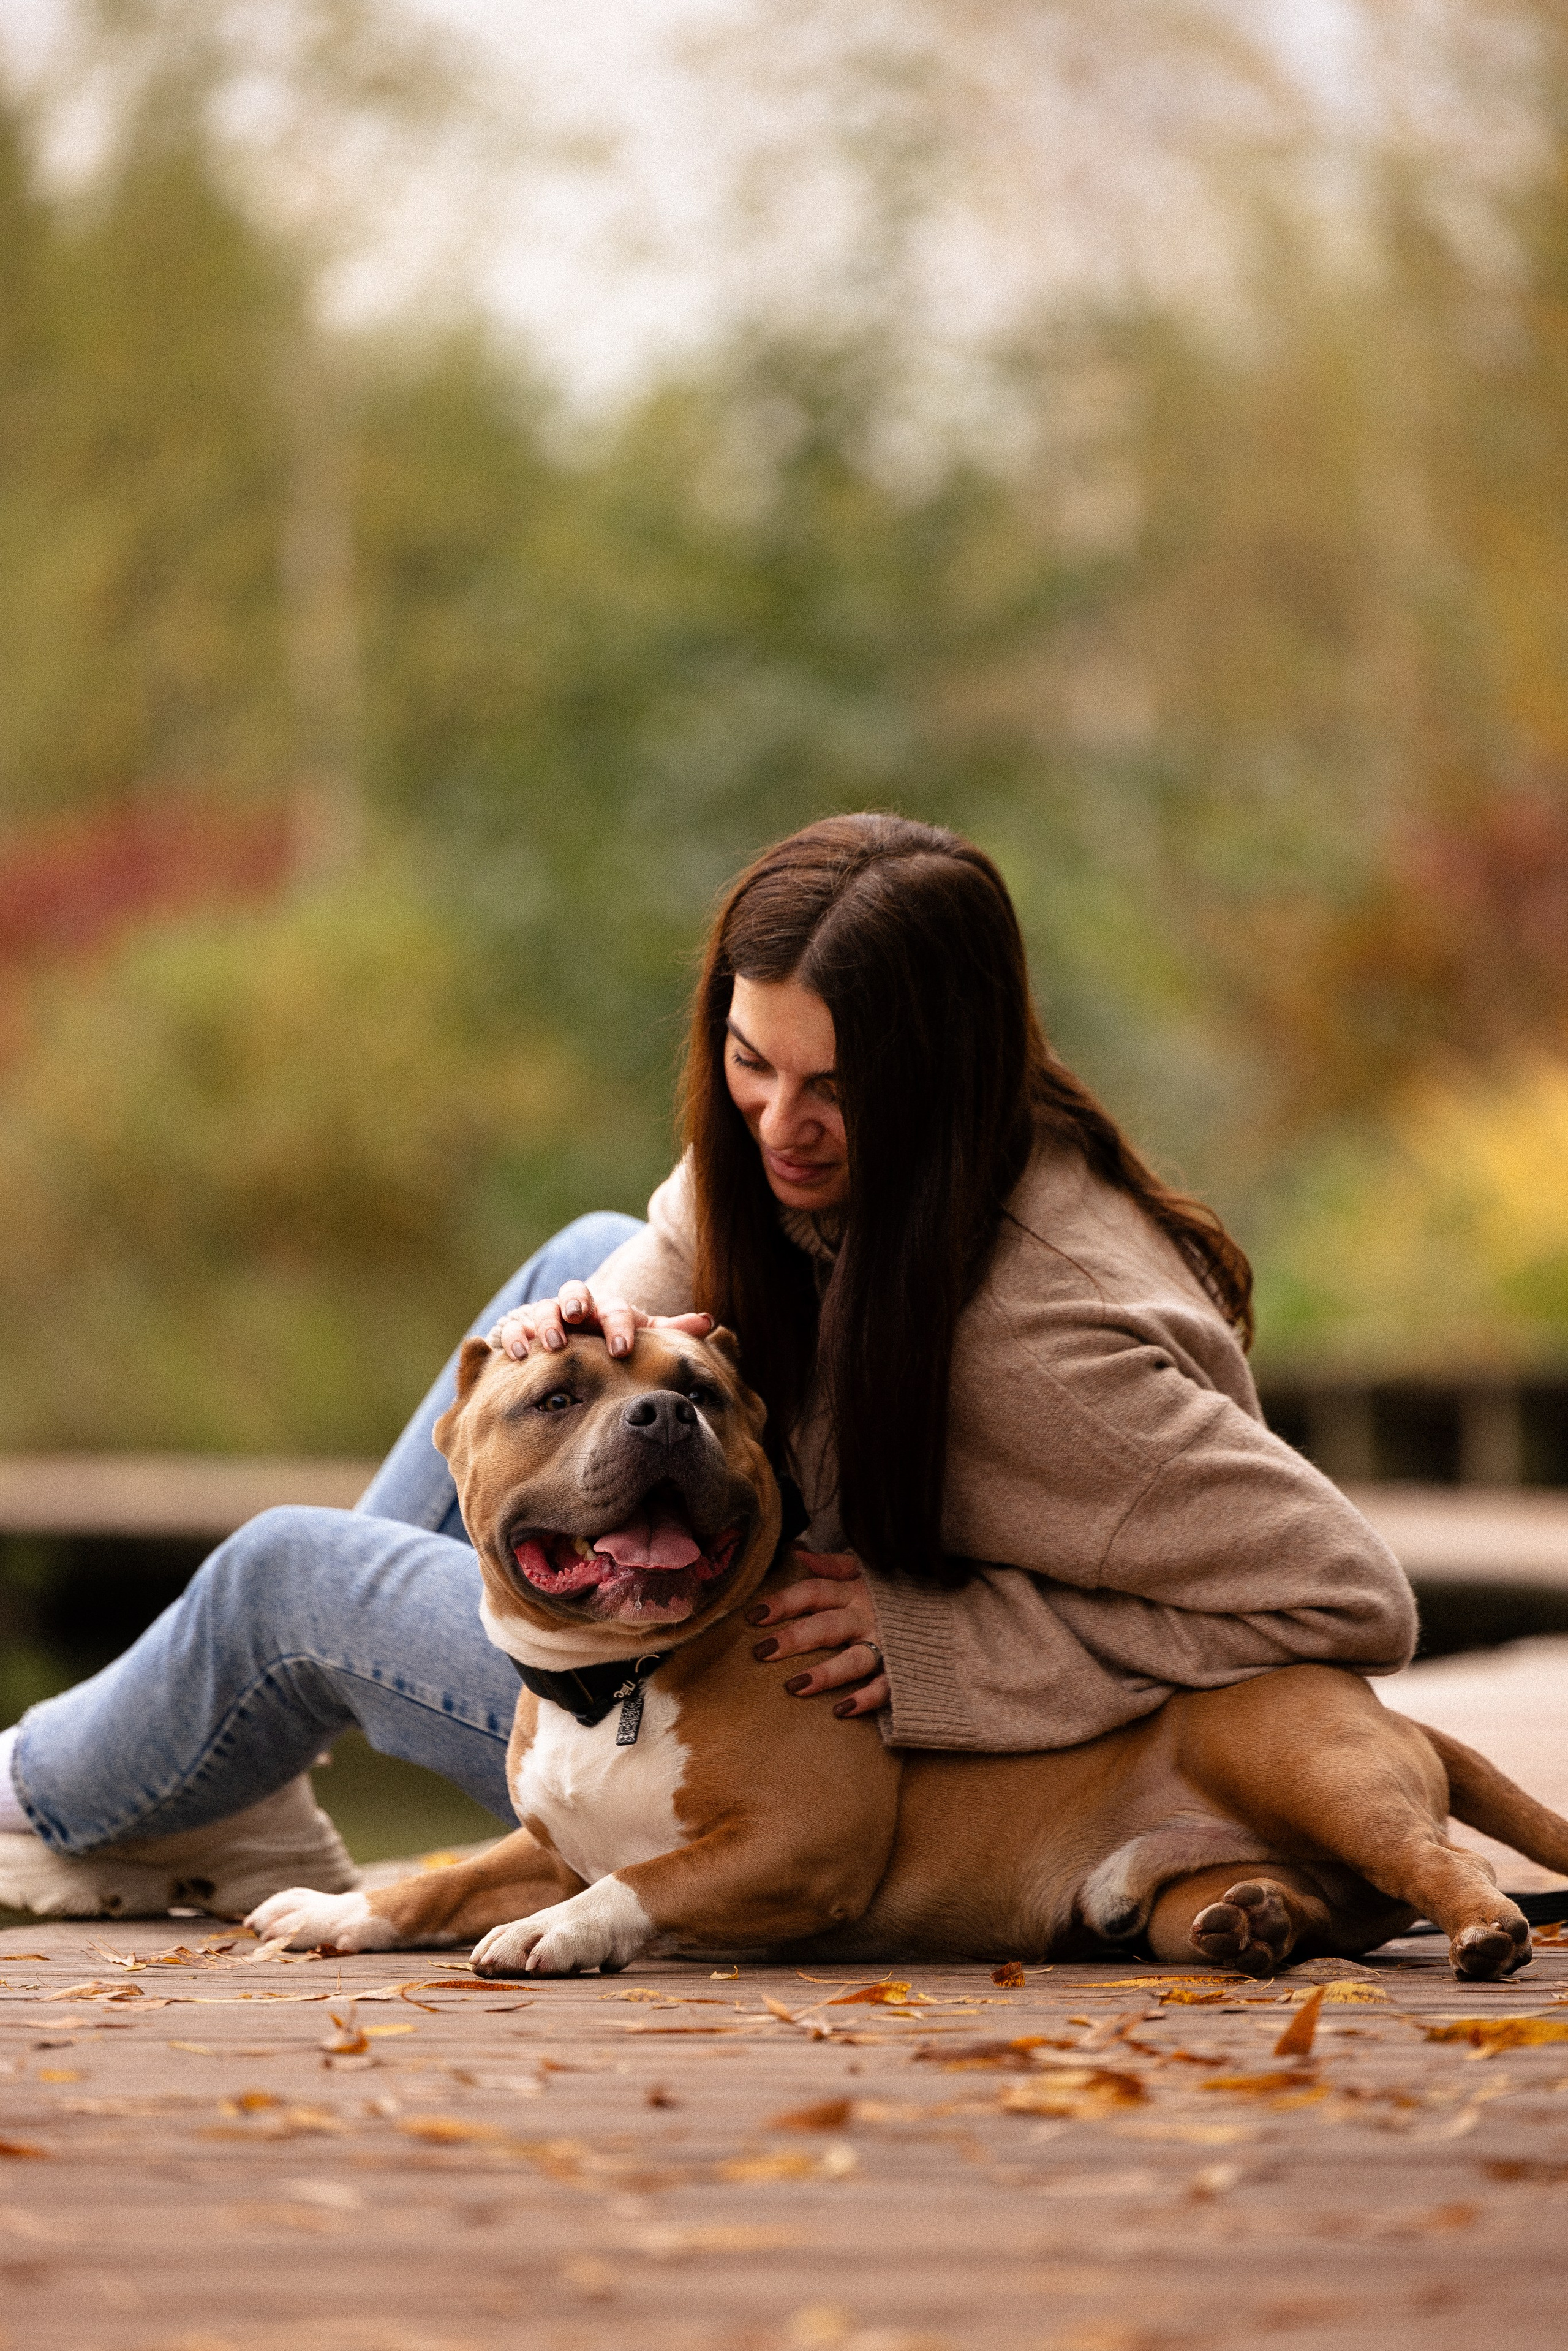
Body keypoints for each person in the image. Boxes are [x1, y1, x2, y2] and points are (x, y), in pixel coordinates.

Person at [0, 813, 1416, 1920]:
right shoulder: (871, 1159)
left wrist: (950, 1652)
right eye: (749, 1062)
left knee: (287, 1580)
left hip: (761, 1737)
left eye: (833, 1089)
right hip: (697, 1611)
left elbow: (1338, 1595)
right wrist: (581, 1339)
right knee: (592, 1244)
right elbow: (667, 1249)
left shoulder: (1042, 1347)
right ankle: (230, 1770)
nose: (776, 1125)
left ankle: (48, 1794)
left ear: (939, 1073)